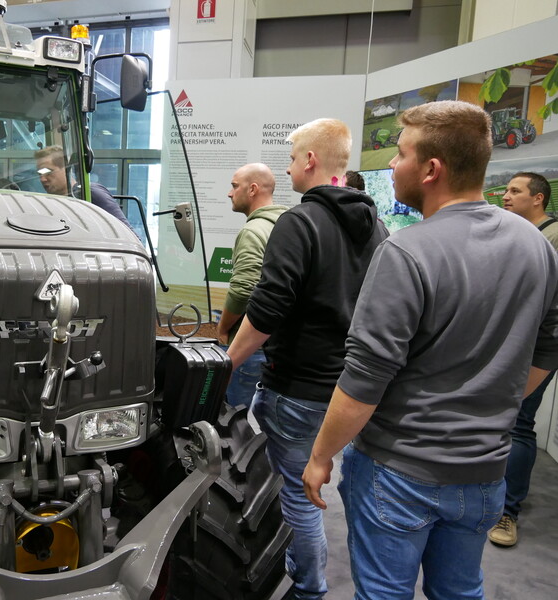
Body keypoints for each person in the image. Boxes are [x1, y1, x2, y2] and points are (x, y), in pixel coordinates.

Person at [302, 101, 558, 599]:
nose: (392, 164)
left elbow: (364, 380)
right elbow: (548, 348)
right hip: (484, 475)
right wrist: (490, 403)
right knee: (460, 591)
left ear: (431, 169)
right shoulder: (536, 247)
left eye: (400, 154)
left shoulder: (406, 251)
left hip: (399, 471)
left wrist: (320, 455)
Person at [226, 118, 388, 599]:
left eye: (293, 158)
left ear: (311, 160)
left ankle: (309, 589)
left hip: (296, 390)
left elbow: (267, 309)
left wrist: (226, 362)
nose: (289, 168)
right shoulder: (377, 227)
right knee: (318, 490)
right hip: (348, 392)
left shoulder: (299, 222)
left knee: (297, 497)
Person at [488, 172, 558, 547]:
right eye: (506, 189)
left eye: (515, 191)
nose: (505, 196)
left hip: (534, 350)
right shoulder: (518, 234)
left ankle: (508, 512)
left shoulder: (553, 237)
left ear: (538, 198)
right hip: (508, 345)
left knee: (519, 423)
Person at [217, 163, 286, 407]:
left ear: (253, 189)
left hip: (250, 346)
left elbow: (244, 289)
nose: (230, 193)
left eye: (235, 186)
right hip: (278, 344)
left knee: (236, 417)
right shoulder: (289, 225)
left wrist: (223, 327)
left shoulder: (253, 231)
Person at [35, 146, 133, 229]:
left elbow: (127, 233)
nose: (42, 179)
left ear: (66, 169)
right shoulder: (52, 203)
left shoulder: (90, 193)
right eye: (40, 174)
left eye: (48, 172)